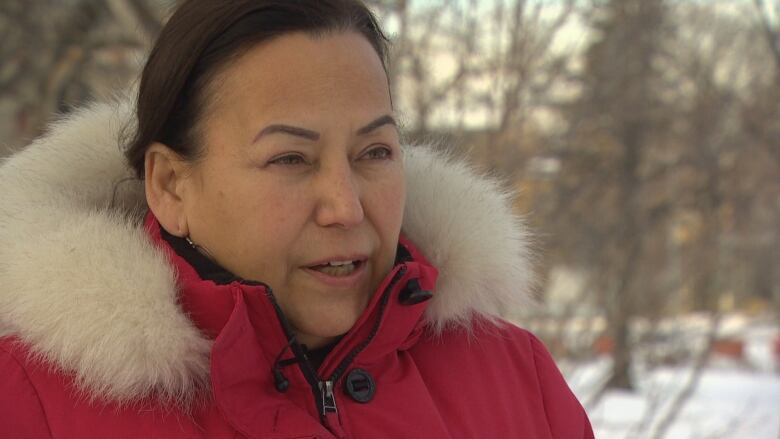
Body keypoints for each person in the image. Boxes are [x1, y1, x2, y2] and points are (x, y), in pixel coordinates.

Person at [0, 0, 594, 437]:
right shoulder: (30, 400)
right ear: (171, 185)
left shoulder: (517, 378)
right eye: (290, 158)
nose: (346, 206)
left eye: (375, 153)